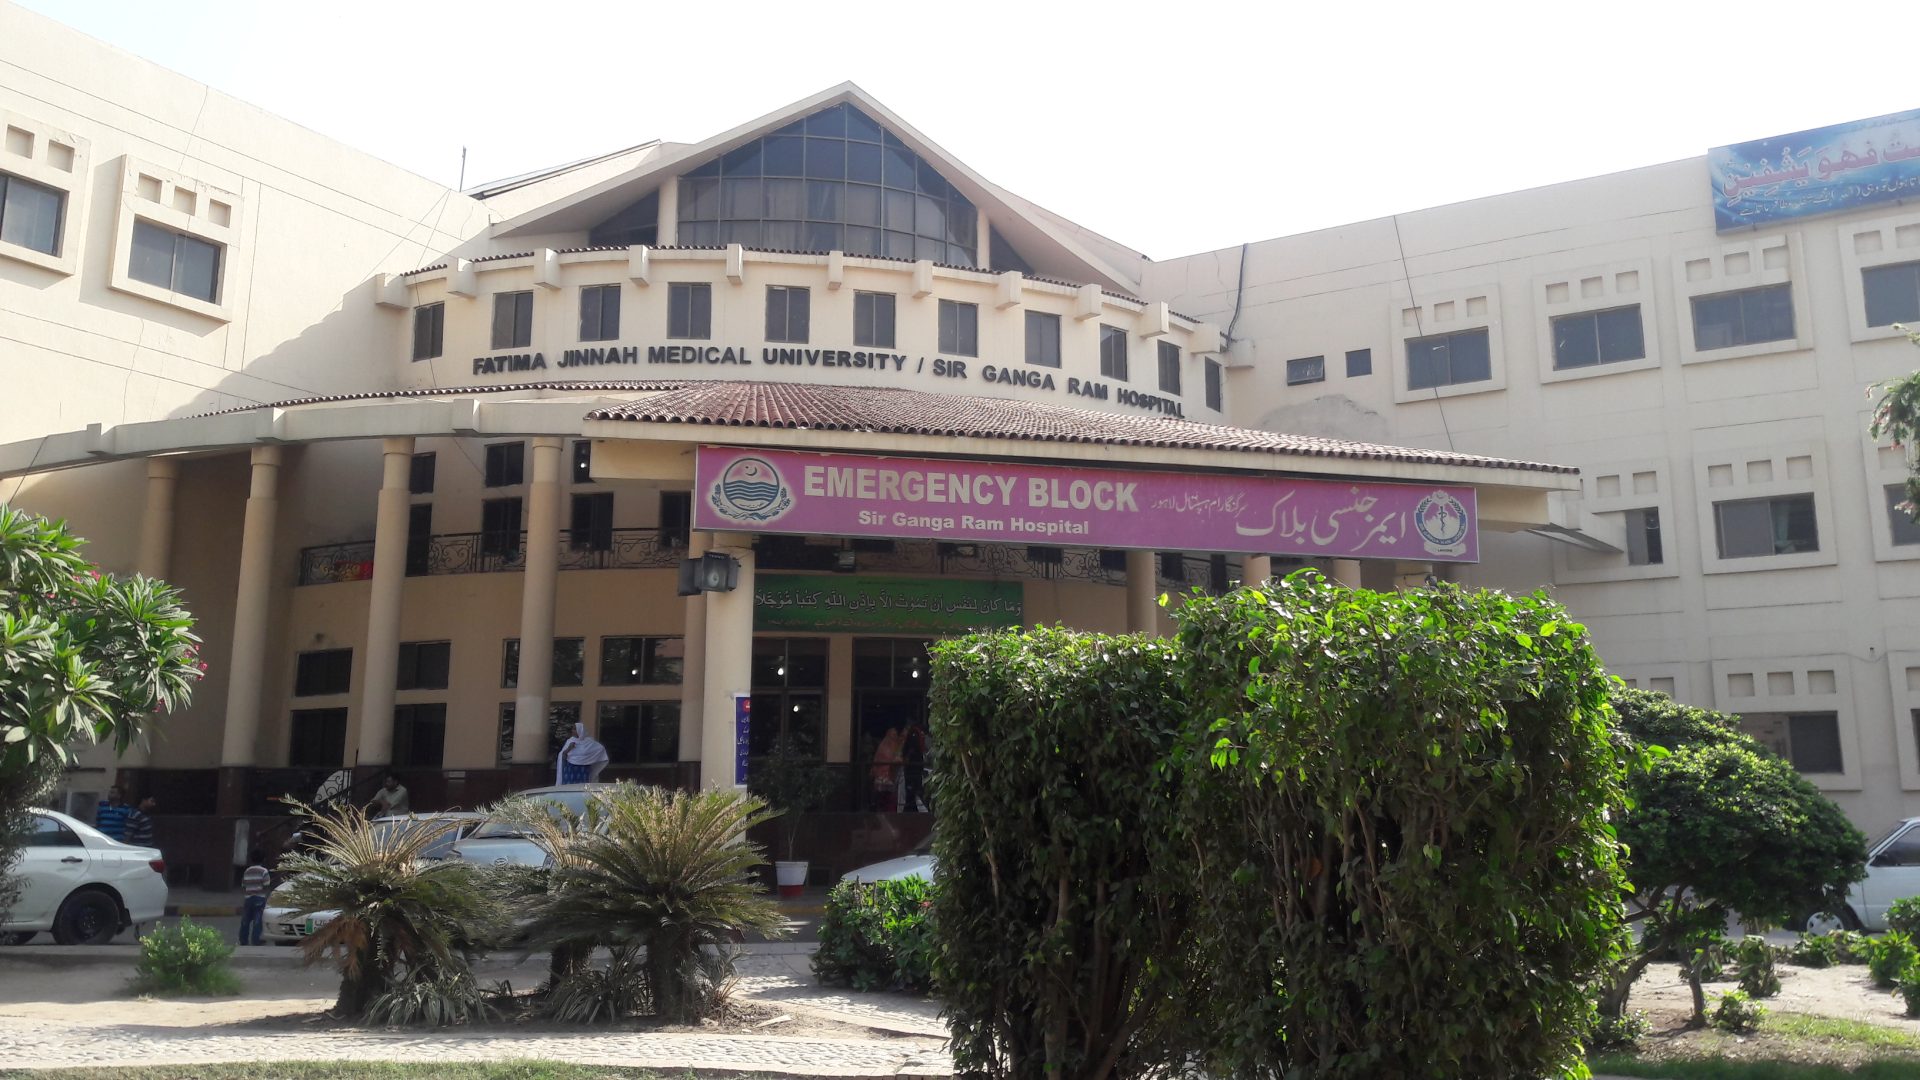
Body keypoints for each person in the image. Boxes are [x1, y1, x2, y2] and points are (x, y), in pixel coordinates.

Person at [871, 725, 905, 813]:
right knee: (886, 799)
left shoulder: (891, 745)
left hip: (888, 778)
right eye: (893, 735)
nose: (894, 737)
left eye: (895, 735)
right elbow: (892, 760)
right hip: (885, 778)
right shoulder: (886, 747)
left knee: (887, 799)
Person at [239, 850, 270, 946]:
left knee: (245, 920)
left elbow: (243, 885)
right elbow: (266, 885)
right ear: (263, 859)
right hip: (259, 899)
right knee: (258, 920)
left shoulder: (247, 871)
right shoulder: (264, 871)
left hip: (248, 898)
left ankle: (243, 940)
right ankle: (256, 940)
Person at [902, 723, 928, 813]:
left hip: (913, 765)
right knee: (913, 787)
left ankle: (911, 807)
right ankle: (911, 807)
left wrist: (907, 758)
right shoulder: (916, 733)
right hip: (915, 765)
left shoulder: (914, 733)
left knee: (912, 787)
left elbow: (912, 748)